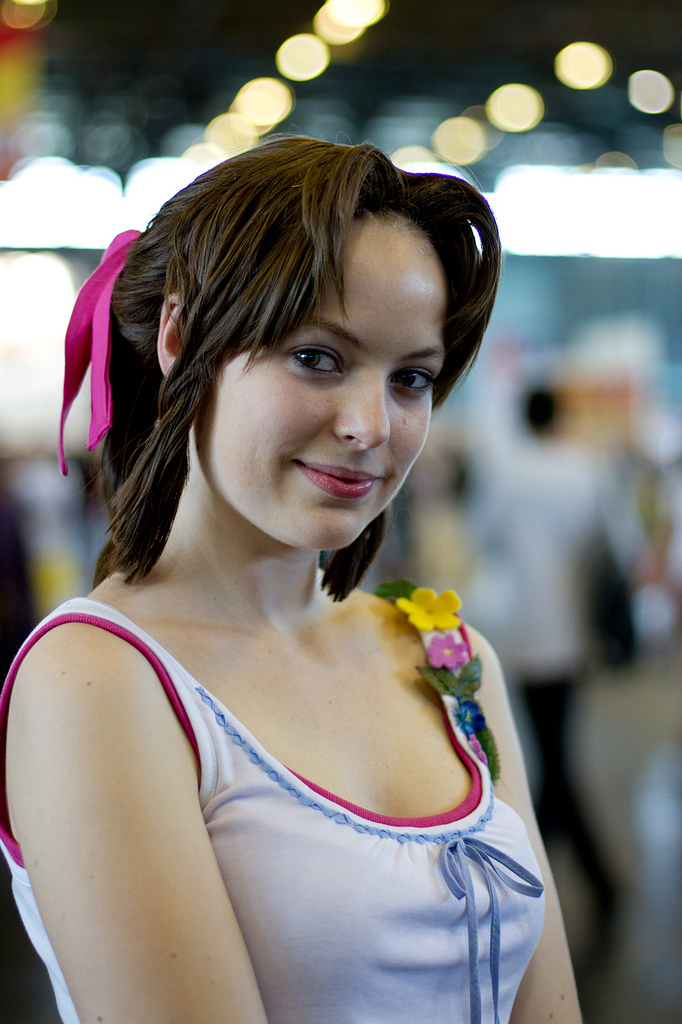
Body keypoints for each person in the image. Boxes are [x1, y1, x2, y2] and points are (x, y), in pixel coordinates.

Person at [0, 137, 580, 1024]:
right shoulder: (98, 679)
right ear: (181, 336)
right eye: (318, 357)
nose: (369, 425)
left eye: (412, 378)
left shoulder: (449, 658)